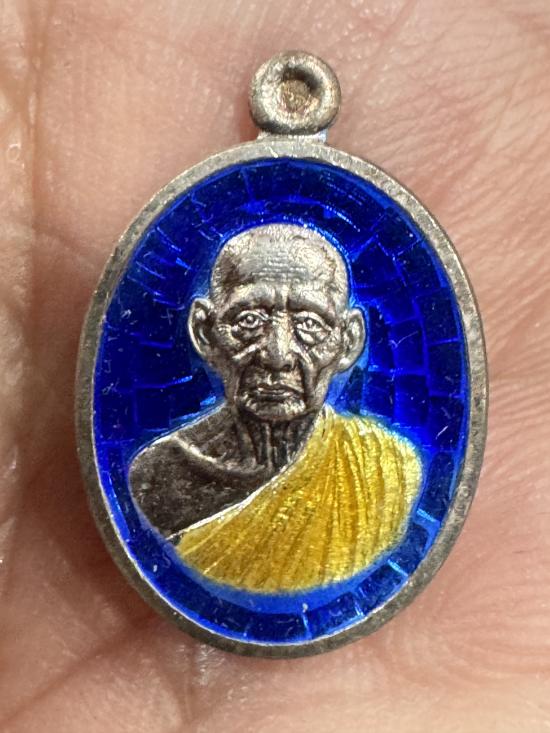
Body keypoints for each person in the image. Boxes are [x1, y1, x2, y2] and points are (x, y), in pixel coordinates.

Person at [129, 223, 422, 592]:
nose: (277, 354)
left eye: (309, 324)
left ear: (349, 341)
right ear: (205, 333)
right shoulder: (159, 477)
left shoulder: (388, 470)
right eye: (249, 321)